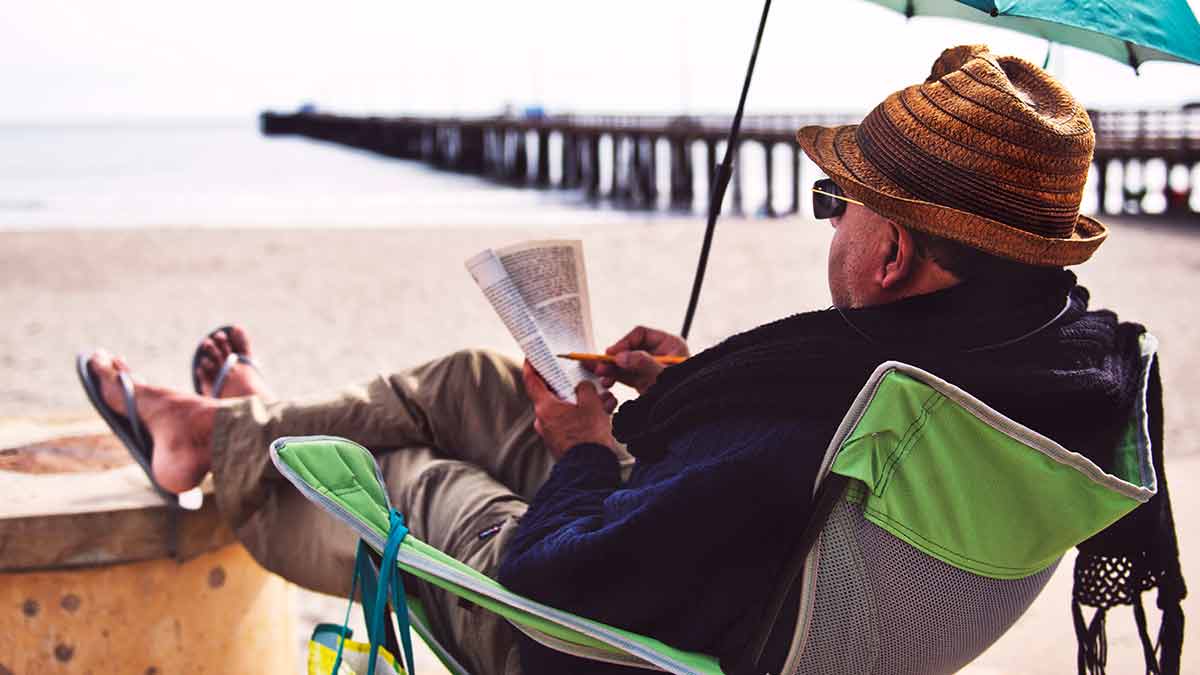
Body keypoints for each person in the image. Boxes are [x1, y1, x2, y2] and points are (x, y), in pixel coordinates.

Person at [78, 45, 1183, 674]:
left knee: (418, 477)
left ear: (891, 253)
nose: (829, 224)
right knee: (474, 378)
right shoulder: (1040, 369)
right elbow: (780, 464)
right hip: (743, 559)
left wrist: (583, 450)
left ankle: (230, 448)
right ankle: (223, 432)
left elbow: (557, 576)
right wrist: (697, 384)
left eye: (834, 204)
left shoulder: (809, 428)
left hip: (586, 641)